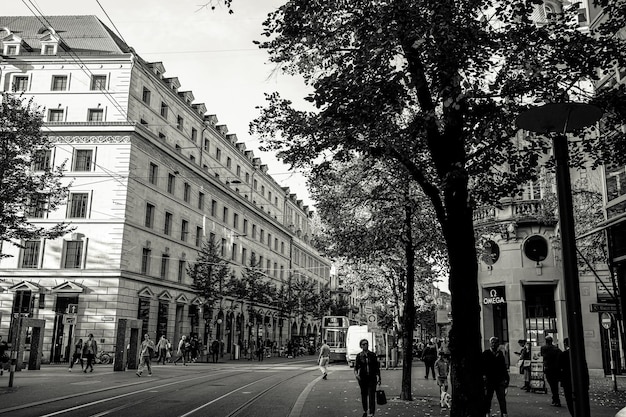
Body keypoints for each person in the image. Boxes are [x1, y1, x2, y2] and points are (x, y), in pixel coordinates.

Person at [482, 336, 509, 417]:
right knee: (488, 398)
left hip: (499, 379)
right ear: (490, 343)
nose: (494, 344)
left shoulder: (500, 354)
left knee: (501, 398)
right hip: (489, 380)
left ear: (498, 344)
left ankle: (504, 413)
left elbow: (503, 367)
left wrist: (506, 378)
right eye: (492, 342)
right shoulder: (486, 354)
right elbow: (482, 366)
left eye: (495, 342)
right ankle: (487, 412)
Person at [354, 339, 381, 417]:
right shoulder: (359, 356)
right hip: (363, 378)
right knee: (364, 394)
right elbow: (356, 367)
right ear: (361, 346)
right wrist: (356, 375)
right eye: (363, 344)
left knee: (371, 394)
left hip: (372, 378)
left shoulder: (372, 355)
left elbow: (376, 367)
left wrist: (379, 377)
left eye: (366, 344)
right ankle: (365, 410)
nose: (365, 345)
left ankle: (371, 412)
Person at [541, 335, 562, 407]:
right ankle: (556, 399)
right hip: (556, 369)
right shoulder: (556, 349)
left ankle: (555, 399)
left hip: (548, 368)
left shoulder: (544, 348)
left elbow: (542, 357)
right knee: (555, 384)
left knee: (552, 384)